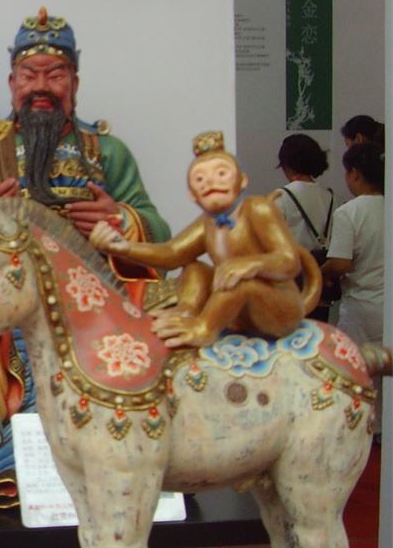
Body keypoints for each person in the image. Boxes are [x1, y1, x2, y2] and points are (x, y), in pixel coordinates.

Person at [0, 8, 170, 514]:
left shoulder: (106, 152)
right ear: (11, 82)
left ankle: (154, 446)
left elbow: (158, 235)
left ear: (75, 81)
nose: (41, 87)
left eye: (55, 75)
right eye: (29, 75)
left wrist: (120, 220)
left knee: (165, 311)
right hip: (7, 298)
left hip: (92, 300)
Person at [91, 132, 315, 348]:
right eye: (200, 179)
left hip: (276, 308)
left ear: (242, 180)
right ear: (192, 194)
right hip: (237, 311)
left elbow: (289, 262)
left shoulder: (259, 208)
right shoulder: (208, 222)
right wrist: (123, 247)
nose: (210, 182)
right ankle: (187, 312)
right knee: (194, 269)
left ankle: (204, 328)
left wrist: (249, 265)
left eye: (221, 173)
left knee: (239, 282)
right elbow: (172, 253)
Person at [321, 142, 385, 435]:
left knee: (355, 375)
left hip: (360, 307)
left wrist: (320, 273)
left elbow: (340, 263)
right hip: (387, 305)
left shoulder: (349, 212)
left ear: (355, 173)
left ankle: (359, 432)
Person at [270, 133, 335, 321]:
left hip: (291, 285)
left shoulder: (281, 197)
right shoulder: (330, 197)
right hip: (322, 285)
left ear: (286, 164)